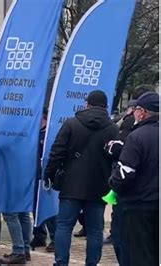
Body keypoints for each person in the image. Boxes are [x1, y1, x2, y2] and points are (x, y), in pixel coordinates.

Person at [44, 90, 118, 265]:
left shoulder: (71, 124)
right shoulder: (113, 129)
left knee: (64, 226)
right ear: (106, 106)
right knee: (95, 230)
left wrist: (48, 174)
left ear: (87, 104)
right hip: (99, 185)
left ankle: (61, 263)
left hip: (71, 184)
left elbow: (57, 152)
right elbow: (117, 157)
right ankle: (91, 263)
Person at [104, 85, 154, 265]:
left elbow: (124, 174)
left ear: (142, 112)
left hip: (137, 205)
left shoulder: (137, 136)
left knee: (133, 253)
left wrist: (113, 183)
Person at [31, 107, 56, 252]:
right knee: (35, 207)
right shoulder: (34, 133)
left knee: (48, 209)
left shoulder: (49, 134)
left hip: (46, 175)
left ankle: (54, 238)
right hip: (34, 174)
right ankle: (39, 235)